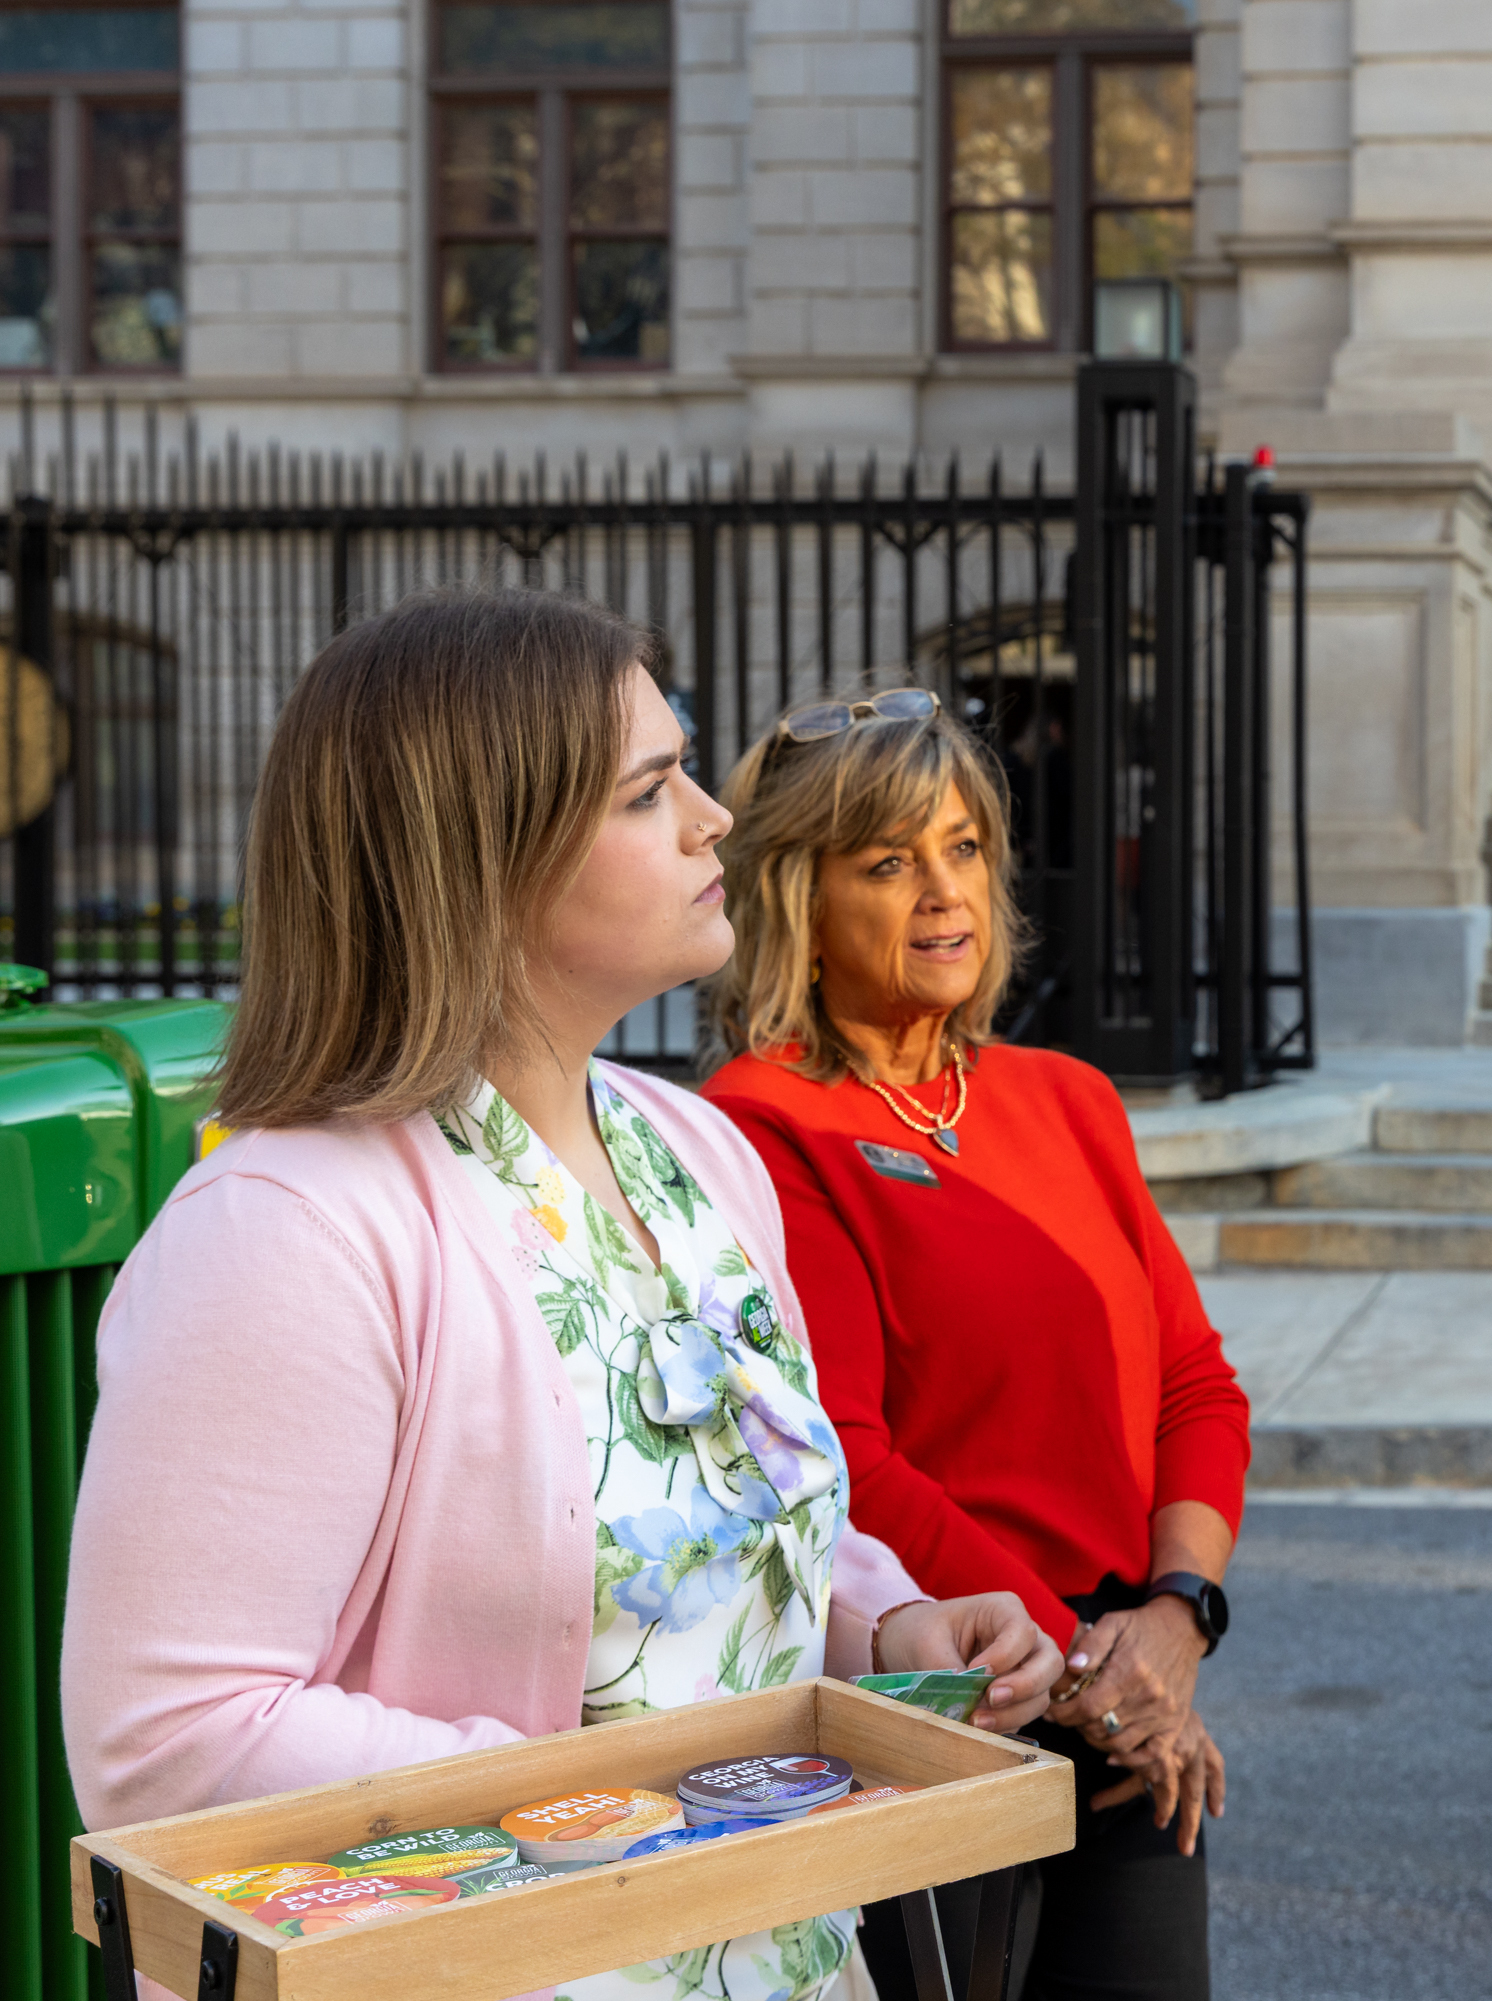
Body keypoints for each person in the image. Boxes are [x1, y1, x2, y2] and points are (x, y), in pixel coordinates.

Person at [60, 588, 1064, 2001]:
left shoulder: (699, 1152)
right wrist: (622, 1800)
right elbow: (167, 1741)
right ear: (489, 859)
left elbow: (727, 1500)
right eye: (654, 791)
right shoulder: (284, 1230)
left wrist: (885, 1624)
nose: (719, 819)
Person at [699, 689, 1249, 2001]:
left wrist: (1177, 1619)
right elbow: (849, 1463)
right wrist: (1082, 1670)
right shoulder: (765, 1123)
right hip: (943, 1704)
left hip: (1122, 1696)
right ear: (802, 902)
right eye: (888, 863)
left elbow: (1195, 1384)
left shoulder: (1066, 1099)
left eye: (962, 848)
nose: (943, 892)